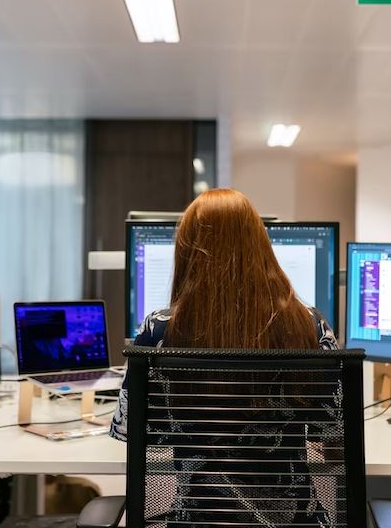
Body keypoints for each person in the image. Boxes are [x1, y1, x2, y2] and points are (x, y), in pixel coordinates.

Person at [109, 188, 337, 526]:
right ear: (261, 246)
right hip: (293, 521)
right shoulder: (310, 325)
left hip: (198, 520)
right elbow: (332, 438)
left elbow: (132, 430)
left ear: (186, 253)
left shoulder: (158, 331)